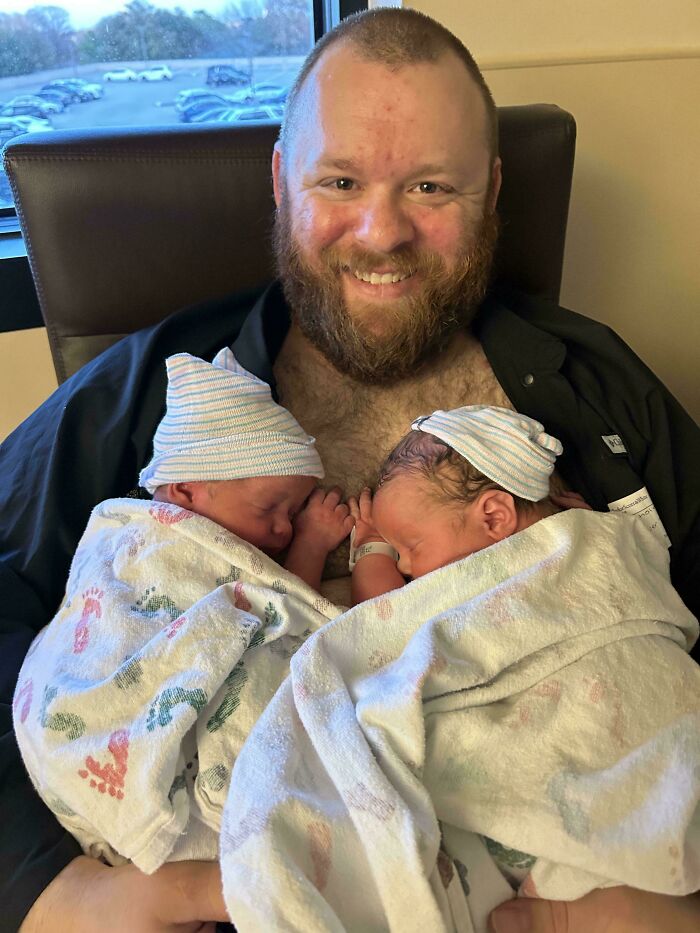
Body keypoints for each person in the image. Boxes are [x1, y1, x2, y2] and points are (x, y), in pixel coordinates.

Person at [1, 7, 698, 932]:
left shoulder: (594, 392)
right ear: (281, 178)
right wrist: (51, 890)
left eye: (431, 187)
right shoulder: (145, 399)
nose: (381, 232)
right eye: (340, 179)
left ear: (491, 192)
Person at [13, 346, 352, 874]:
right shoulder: (141, 540)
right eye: (272, 510)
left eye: (293, 512)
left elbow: (266, 615)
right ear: (186, 494)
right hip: (81, 706)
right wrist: (309, 546)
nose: (284, 530)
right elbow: (279, 607)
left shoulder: (226, 537)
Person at [349, 405, 570, 604]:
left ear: (494, 518)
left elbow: (382, 614)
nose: (402, 567)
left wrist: (372, 546)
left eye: (412, 547)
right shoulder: (580, 532)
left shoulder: (464, 580)